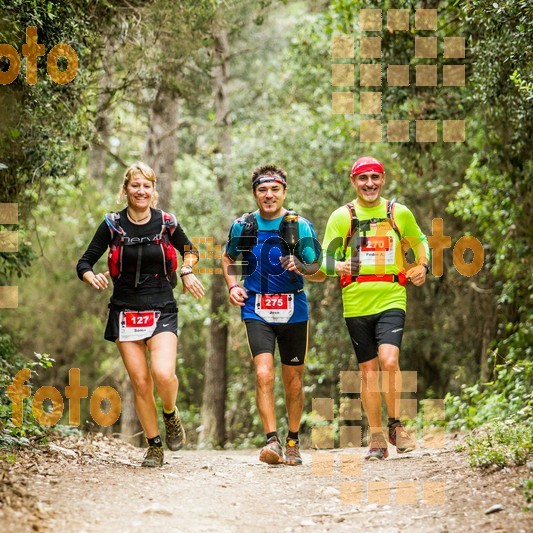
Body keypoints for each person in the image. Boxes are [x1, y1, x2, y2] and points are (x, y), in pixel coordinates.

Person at [76, 162, 204, 467]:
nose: (141, 191)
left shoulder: (166, 222)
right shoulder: (112, 224)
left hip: (161, 305)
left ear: (153, 190)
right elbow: (85, 262)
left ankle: (170, 413)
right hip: (124, 309)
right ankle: (154, 445)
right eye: (135, 185)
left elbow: (191, 250)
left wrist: (186, 271)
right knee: (141, 382)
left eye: (147, 186)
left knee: (163, 374)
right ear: (126, 189)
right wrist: (90, 277)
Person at [321, 156, 430, 461]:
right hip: (355, 302)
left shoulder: (398, 213)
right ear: (353, 182)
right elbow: (326, 260)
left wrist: (423, 265)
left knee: (389, 360)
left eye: (375, 177)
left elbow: (420, 241)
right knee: (369, 372)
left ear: (383, 180)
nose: (369, 184)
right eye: (363, 178)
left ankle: (396, 425)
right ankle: (377, 437)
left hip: (391, 296)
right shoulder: (342, 217)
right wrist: (338, 265)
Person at [222, 164, 324, 466]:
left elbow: (319, 273)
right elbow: (228, 258)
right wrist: (232, 285)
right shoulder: (244, 225)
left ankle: (293, 440)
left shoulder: (299, 226)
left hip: (294, 308)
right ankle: (272, 440)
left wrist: (302, 266)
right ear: (255, 193)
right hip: (256, 308)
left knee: (293, 380)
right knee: (263, 374)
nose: (269, 195)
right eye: (263, 189)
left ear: (284, 192)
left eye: (275, 189)